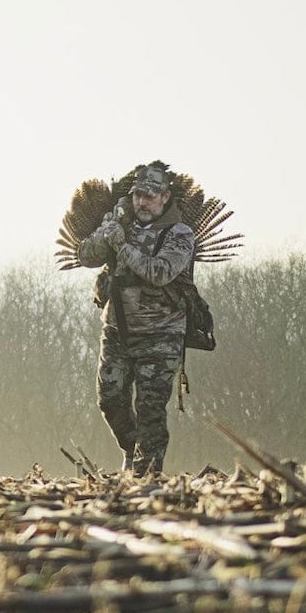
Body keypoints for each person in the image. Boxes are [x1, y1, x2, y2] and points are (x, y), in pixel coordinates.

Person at [77, 163, 196, 475]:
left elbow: (160, 272)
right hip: (117, 331)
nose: (142, 202)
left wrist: (121, 245)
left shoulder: (179, 234)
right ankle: (131, 451)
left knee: (150, 411)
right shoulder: (119, 223)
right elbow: (85, 255)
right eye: (138, 195)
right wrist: (107, 235)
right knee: (110, 400)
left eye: (149, 196)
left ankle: (147, 477)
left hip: (161, 336)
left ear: (165, 197)